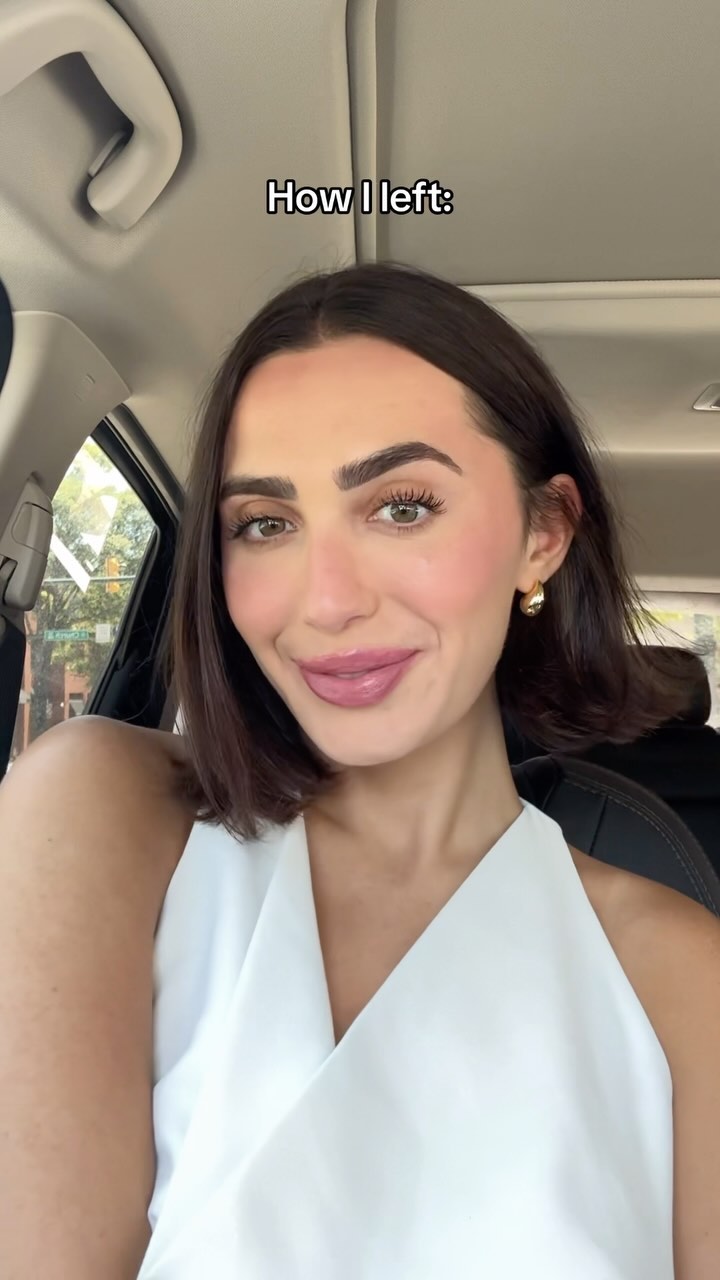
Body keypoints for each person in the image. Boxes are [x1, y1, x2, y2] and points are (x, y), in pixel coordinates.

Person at [1, 262, 719, 1280]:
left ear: (544, 533)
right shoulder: (103, 813)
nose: (328, 600)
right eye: (265, 523)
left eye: (403, 506)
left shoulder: (680, 975)